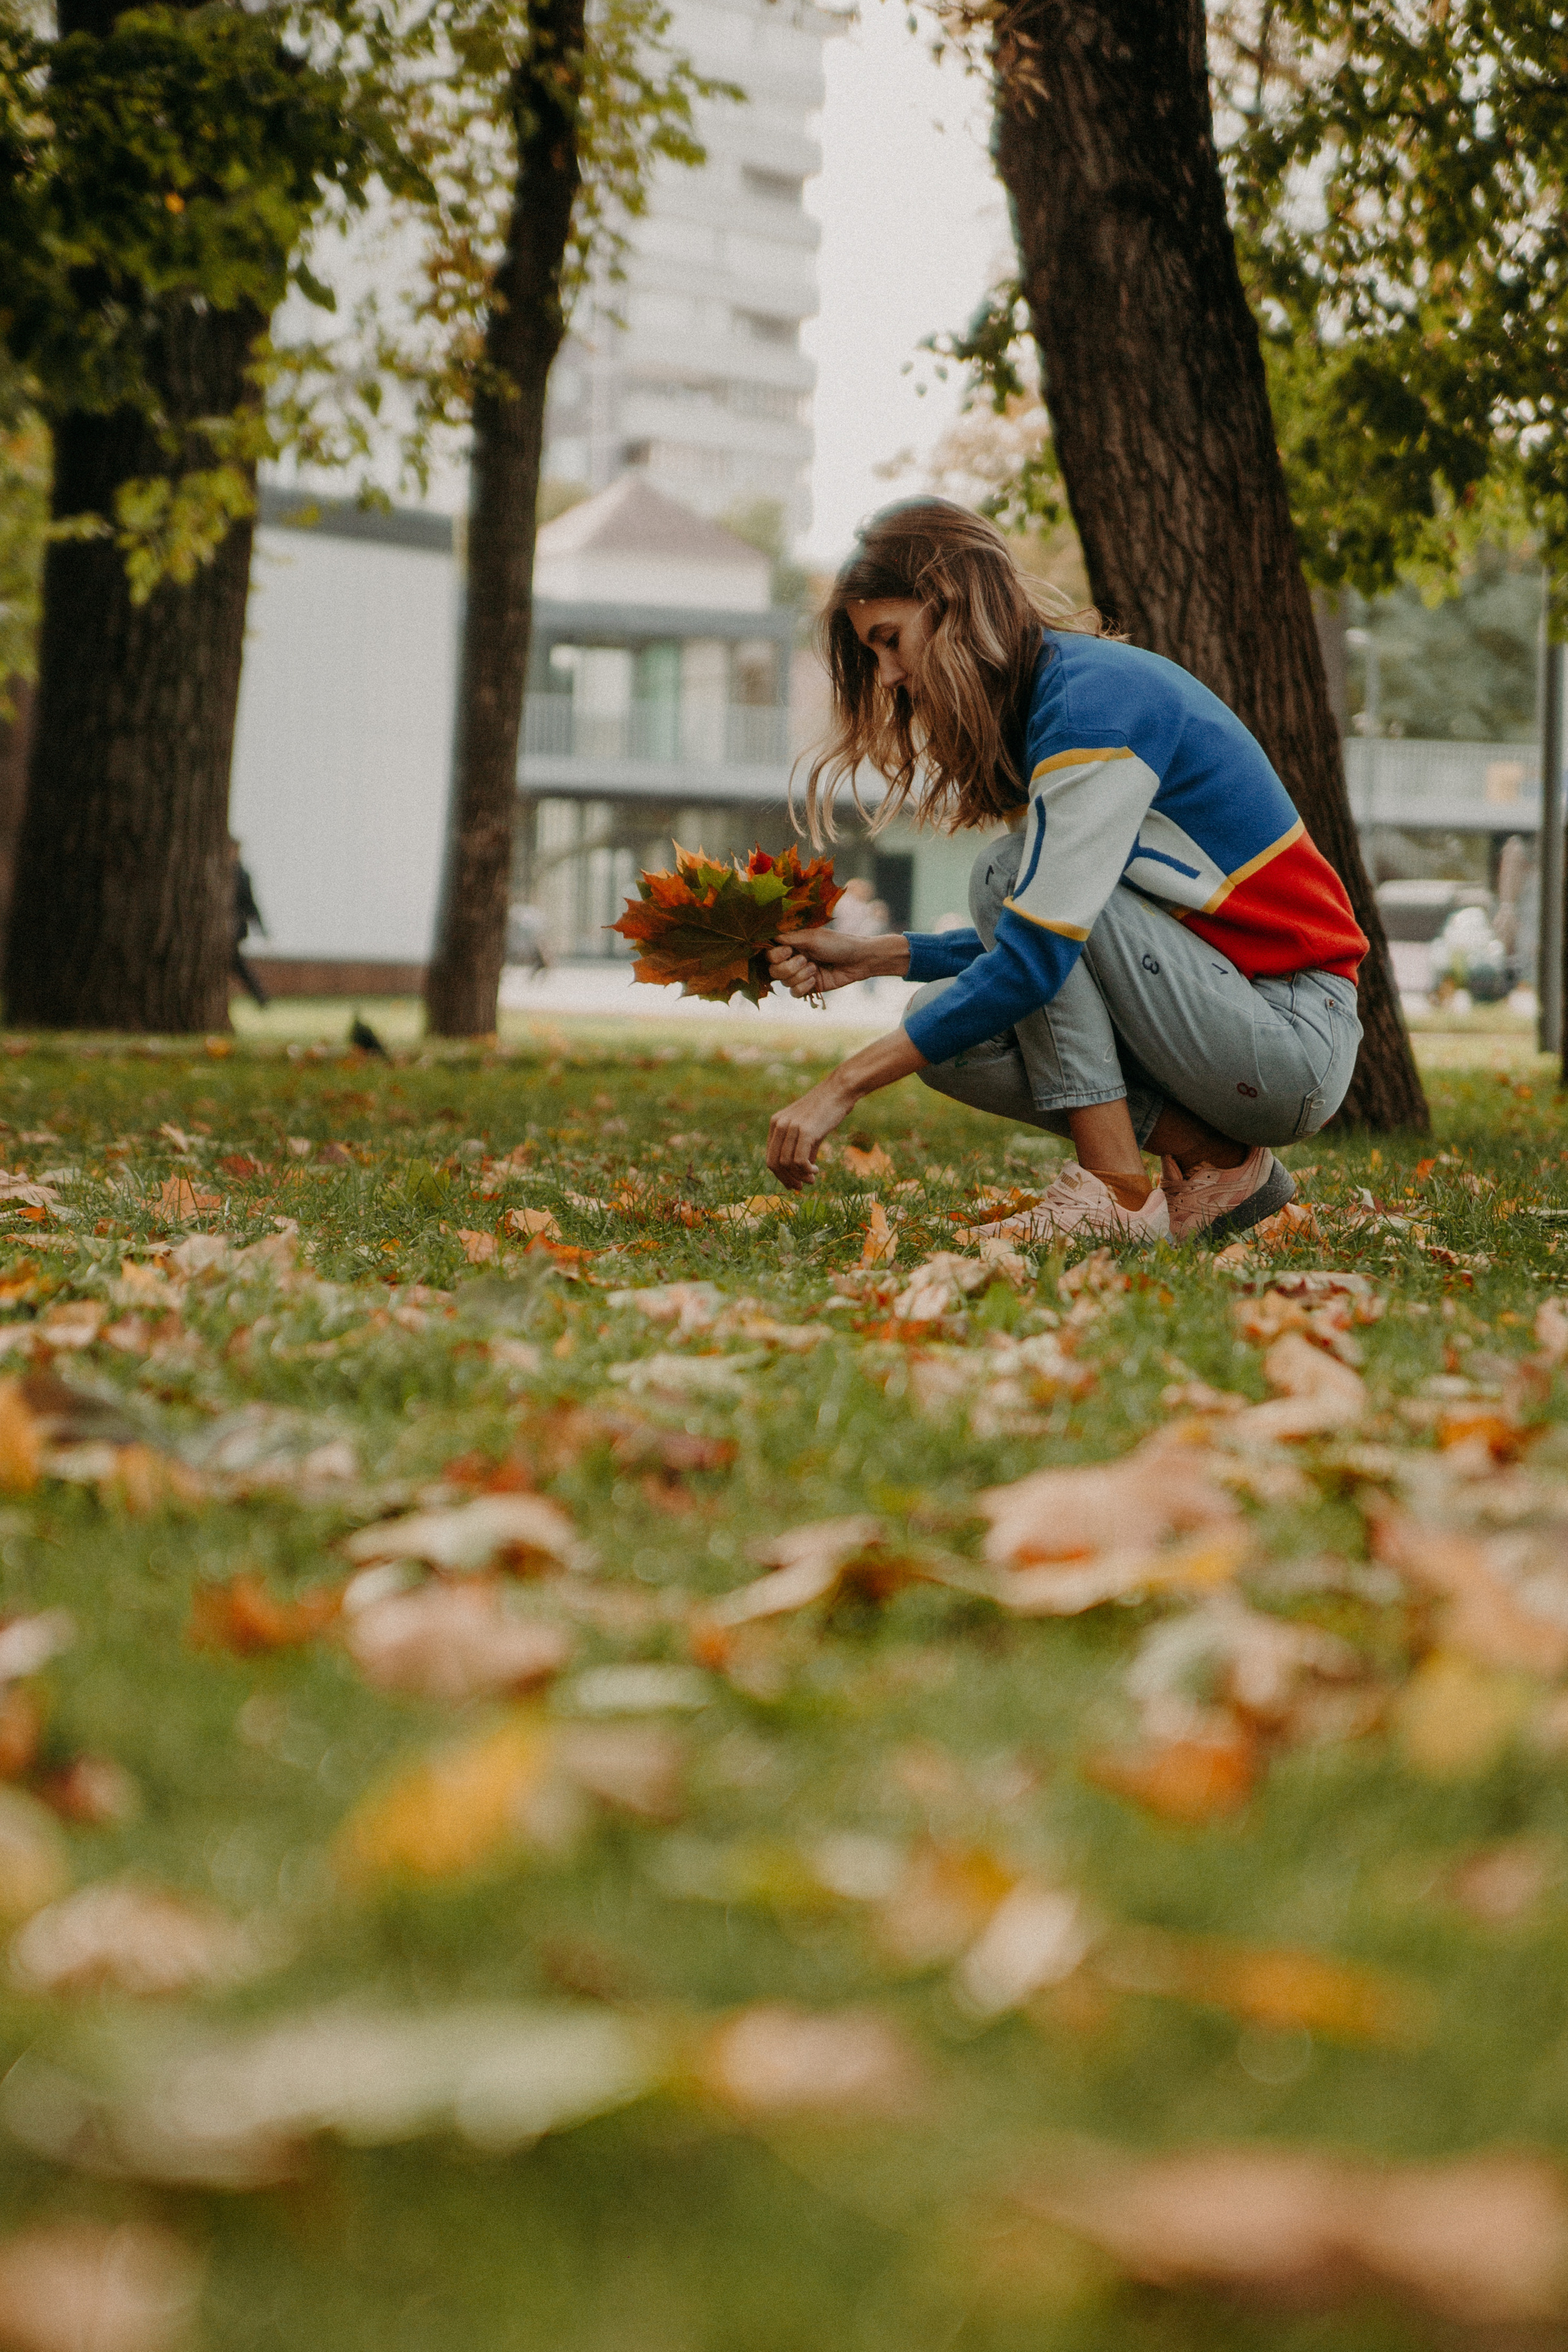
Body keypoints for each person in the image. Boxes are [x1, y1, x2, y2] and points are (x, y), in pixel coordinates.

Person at [763, 500, 1366, 1243]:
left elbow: (1042, 951)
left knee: (1005, 875)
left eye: (889, 640)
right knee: (947, 1032)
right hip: (1227, 1010)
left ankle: (1113, 1193)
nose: (886, 676)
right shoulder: (1050, 704)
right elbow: (1068, 941)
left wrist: (842, 1084)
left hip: (1292, 1032)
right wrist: (876, 956)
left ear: (952, 603)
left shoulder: (1091, 705)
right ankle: (1215, 1163)